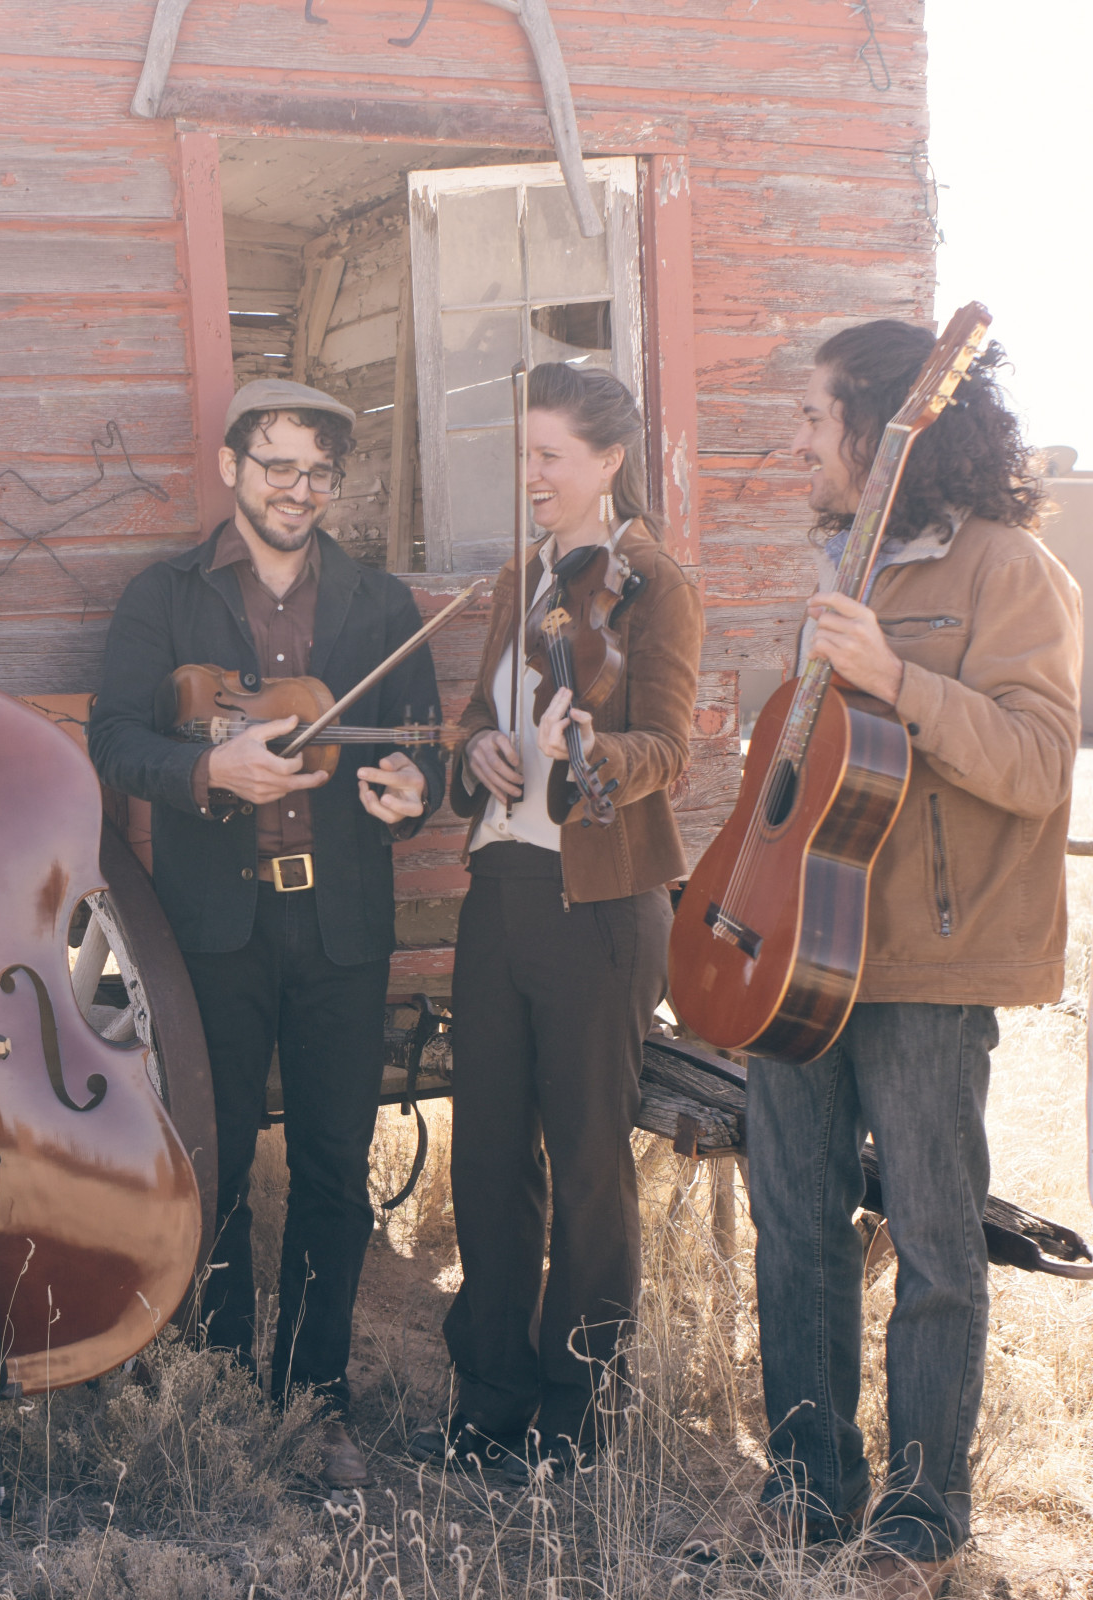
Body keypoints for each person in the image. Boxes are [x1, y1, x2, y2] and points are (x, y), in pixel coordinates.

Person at [746, 322, 1079, 1595]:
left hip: (929, 970)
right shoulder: (843, 562)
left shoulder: (1014, 572)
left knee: (935, 1246)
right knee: (795, 1230)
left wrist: (895, 678)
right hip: (796, 955)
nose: (795, 441)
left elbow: (1039, 763)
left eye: (814, 417)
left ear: (886, 429)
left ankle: (923, 1516)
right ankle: (806, 1489)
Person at [88, 378, 445, 1489]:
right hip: (217, 925)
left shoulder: (379, 602)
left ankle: (318, 1396)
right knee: (221, 1155)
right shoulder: (165, 596)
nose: (297, 490)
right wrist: (206, 769)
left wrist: (409, 790)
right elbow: (112, 738)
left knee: (339, 1160)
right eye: (276, 466)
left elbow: (420, 746)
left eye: (318, 473)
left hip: (338, 919)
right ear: (234, 468)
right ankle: (226, 1386)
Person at [408, 362, 702, 1482]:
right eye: (521, 454)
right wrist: (473, 753)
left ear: (607, 463)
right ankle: (489, 1402)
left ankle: (579, 1424)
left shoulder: (655, 585)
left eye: (548, 456)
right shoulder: (516, 581)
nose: (528, 474)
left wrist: (595, 753)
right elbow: (477, 731)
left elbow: (667, 747)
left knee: (586, 1168)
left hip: (601, 905)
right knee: (485, 1160)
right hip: (501, 893)